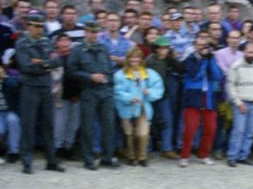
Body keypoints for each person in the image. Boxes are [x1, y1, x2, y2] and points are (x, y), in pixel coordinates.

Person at [14, 13, 64, 173]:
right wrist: (46, 65)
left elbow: (57, 61)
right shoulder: (22, 43)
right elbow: (26, 66)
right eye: (35, 26)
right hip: (30, 87)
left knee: (48, 124)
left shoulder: (46, 41)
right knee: (28, 125)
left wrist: (41, 62)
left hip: (45, 86)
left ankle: (51, 160)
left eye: (41, 26)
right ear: (28, 26)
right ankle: (27, 161)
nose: (38, 29)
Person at [68, 21, 118, 170]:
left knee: (109, 126)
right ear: (85, 32)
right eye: (90, 32)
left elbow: (109, 68)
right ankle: (88, 159)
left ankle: (107, 158)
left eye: (95, 32)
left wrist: (108, 85)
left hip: (105, 91)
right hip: (89, 91)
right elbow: (71, 71)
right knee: (88, 127)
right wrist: (89, 77)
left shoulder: (102, 48)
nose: (93, 35)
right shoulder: (77, 50)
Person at [113, 47, 164, 166]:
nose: (134, 59)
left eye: (137, 57)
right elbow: (117, 91)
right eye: (131, 57)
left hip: (143, 107)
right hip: (126, 107)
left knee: (142, 133)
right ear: (127, 59)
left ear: (141, 59)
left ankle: (142, 157)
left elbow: (159, 89)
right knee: (129, 132)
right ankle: (131, 157)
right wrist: (129, 97)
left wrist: (149, 92)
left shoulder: (149, 74)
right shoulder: (119, 75)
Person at [179, 31, 224, 167]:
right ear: (195, 44)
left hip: (208, 96)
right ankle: (184, 155)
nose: (203, 45)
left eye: (205, 43)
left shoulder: (211, 58)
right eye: (200, 42)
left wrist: (210, 60)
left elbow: (217, 76)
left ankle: (203, 154)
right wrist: (204, 61)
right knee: (190, 128)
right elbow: (195, 75)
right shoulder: (190, 59)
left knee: (211, 128)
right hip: (193, 95)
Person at [225, 42, 253, 166]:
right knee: (238, 131)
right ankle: (232, 156)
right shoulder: (236, 66)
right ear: (244, 52)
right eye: (249, 52)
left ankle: (243, 155)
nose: (252, 55)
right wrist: (237, 102)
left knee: (250, 132)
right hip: (241, 103)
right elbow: (230, 86)